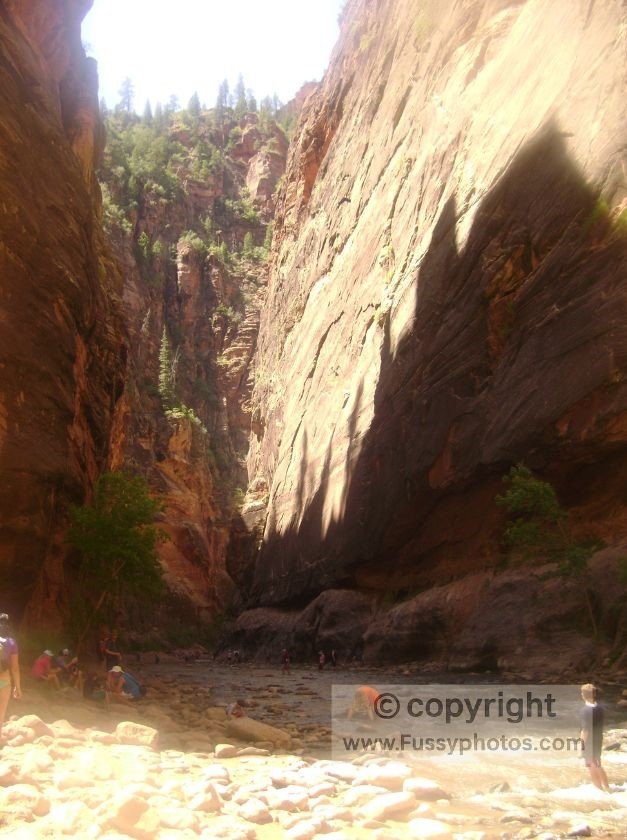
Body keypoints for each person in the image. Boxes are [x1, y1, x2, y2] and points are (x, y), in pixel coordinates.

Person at [580, 683, 610, 791]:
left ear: (583, 695)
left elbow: (585, 730)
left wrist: (582, 745)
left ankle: (598, 789)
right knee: (597, 764)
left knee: (590, 765)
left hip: (589, 742)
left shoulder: (585, 711)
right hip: (598, 739)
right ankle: (606, 787)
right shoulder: (600, 708)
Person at [0, 613, 21, 743]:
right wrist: (17, 687)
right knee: (1, 709)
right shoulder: (11, 642)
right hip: (3, 680)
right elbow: (15, 668)